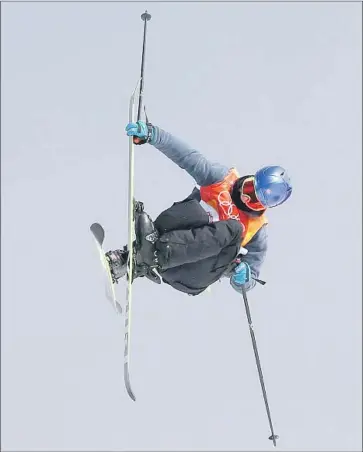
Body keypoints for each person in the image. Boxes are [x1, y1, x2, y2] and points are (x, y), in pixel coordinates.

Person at [105, 120, 292, 296]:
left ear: (264, 207)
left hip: (193, 273)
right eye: (249, 188)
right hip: (168, 237)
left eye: (254, 201)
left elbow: (250, 279)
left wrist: (244, 277)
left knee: (234, 228)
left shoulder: (257, 231)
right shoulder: (221, 179)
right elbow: (188, 157)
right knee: (199, 212)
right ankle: (128, 260)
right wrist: (154, 135)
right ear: (252, 177)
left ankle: (154, 256)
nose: (245, 197)